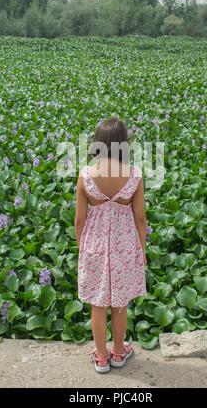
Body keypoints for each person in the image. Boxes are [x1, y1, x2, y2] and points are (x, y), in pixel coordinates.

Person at [75, 117, 147, 373]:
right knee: (119, 304)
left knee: (98, 304)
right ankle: (118, 353)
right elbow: (140, 218)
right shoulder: (134, 174)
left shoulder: (85, 175)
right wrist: (142, 249)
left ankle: (102, 357)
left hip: (94, 245)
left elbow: (79, 220)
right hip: (125, 246)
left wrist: (81, 249)